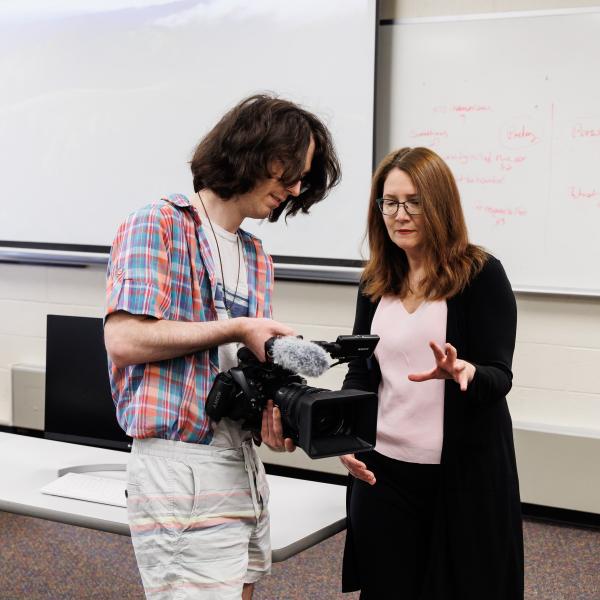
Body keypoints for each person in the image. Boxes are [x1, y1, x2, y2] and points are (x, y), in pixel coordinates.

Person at [103, 94, 340, 600]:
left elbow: (239, 369)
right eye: (290, 172)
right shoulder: (160, 223)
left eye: (303, 179)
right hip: (179, 465)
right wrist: (236, 327)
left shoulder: (256, 255)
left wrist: (278, 421)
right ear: (254, 150)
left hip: (242, 465)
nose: (295, 189)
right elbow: (123, 340)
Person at [339, 147, 523, 599]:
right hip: (381, 473)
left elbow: (500, 376)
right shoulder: (375, 280)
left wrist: (465, 371)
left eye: (414, 201)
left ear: (439, 204)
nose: (400, 214)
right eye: (390, 202)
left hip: (459, 477)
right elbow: (363, 372)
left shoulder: (479, 274)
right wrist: (346, 435)